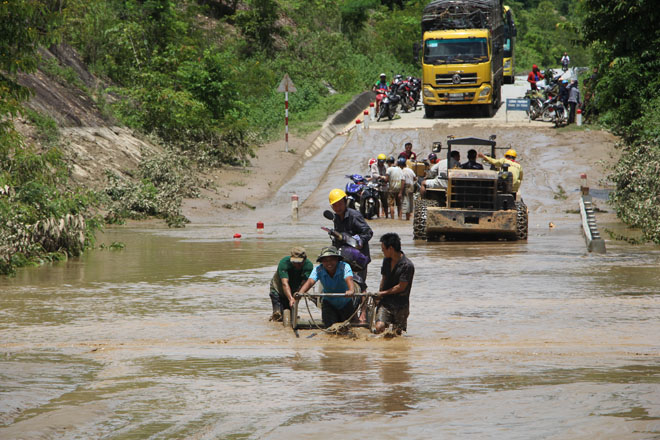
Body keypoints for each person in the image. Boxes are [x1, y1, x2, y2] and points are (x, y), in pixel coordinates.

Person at [297, 246, 356, 328]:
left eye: (332, 259)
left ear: (337, 259)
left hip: (345, 302)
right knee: (329, 328)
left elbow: (349, 278)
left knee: (348, 328)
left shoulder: (344, 266)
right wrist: (300, 293)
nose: (329, 263)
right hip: (329, 302)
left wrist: (351, 290)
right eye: (325, 260)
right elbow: (310, 281)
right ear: (321, 261)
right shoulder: (318, 269)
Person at [328, 188, 373, 288]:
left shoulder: (354, 216)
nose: (338, 207)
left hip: (358, 258)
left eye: (340, 204)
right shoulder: (336, 218)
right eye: (335, 205)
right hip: (344, 258)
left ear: (345, 202)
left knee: (359, 286)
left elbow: (368, 232)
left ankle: (363, 302)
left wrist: (359, 240)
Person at [374, 233, 414, 335]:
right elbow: (384, 278)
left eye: (383, 249)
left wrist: (382, 293)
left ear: (390, 248)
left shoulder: (407, 266)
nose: (382, 251)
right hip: (385, 302)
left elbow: (401, 287)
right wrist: (379, 295)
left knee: (396, 335)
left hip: (401, 305)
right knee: (379, 327)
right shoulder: (386, 261)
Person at [269, 247, 313, 321]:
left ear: (305, 259)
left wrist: (297, 296)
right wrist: (290, 298)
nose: (296, 265)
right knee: (278, 315)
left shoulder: (308, 266)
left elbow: (305, 284)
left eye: (299, 262)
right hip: (278, 290)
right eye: (294, 262)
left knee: (291, 317)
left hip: (294, 290)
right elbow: (284, 283)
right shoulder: (284, 263)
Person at [370, 153, 389, 218]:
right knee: (376, 201)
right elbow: (373, 174)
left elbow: (387, 174)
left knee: (385, 202)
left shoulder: (386, 166)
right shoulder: (374, 165)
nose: (382, 163)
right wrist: (381, 177)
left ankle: (386, 216)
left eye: (383, 162)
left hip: (384, 186)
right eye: (381, 162)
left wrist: (386, 178)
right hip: (376, 186)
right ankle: (378, 216)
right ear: (378, 161)